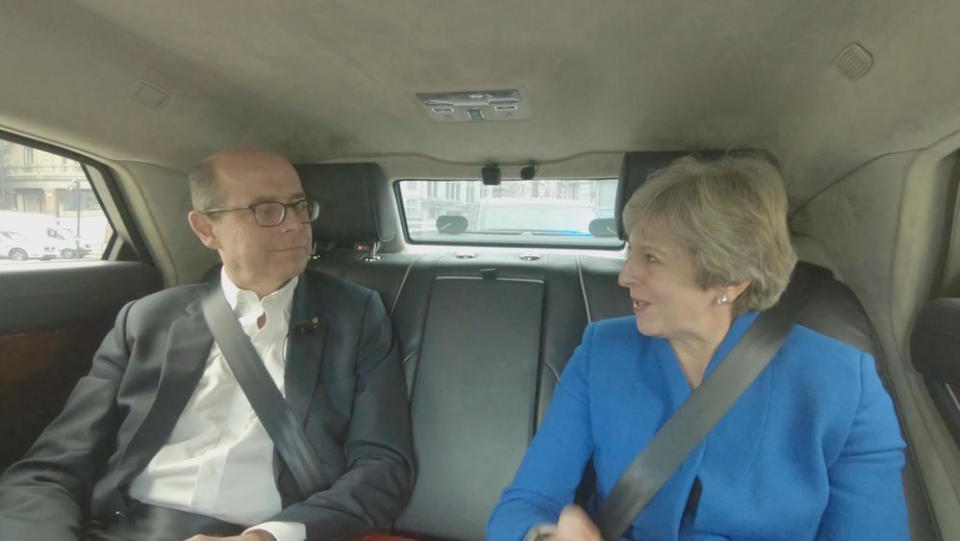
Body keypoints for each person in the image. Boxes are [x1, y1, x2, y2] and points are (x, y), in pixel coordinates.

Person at [0, 149, 414, 541]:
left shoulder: (355, 316)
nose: (294, 224)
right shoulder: (146, 320)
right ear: (205, 229)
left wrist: (271, 535)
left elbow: (382, 465)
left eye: (300, 206)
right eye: (266, 210)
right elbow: (51, 468)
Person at [488, 155, 908, 540]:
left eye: (651, 259)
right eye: (631, 252)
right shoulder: (602, 352)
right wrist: (541, 537)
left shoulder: (843, 384)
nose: (625, 276)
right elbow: (525, 503)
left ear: (729, 280)